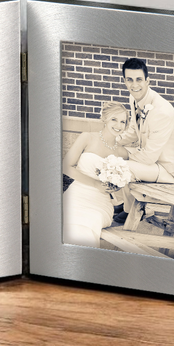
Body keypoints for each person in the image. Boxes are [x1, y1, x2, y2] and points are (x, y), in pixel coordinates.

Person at [116, 57, 174, 216]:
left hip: (168, 169)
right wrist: (113, 143)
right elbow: (134, 130)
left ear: (148, 80)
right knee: (112, 155)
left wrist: (123, 153)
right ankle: (127, 204)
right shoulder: (134, 98)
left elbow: (149, 157)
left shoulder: (161, 112)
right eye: (130, 80)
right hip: (153, 161)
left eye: (139, 79)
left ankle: (134, 211)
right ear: (125, 81)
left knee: (121, 166)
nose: (134, 85)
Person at [62, 101, 131, 247]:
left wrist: (115, 186)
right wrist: (95, 183)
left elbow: (123, 184)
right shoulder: (87, 137)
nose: (118, 125)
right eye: (114, 119)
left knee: (90, 220)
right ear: (104, 118)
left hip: (100, 204)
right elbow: (66, 166)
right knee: (67, 218)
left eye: (123, 121)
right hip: (76, 196)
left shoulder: (122, 152)